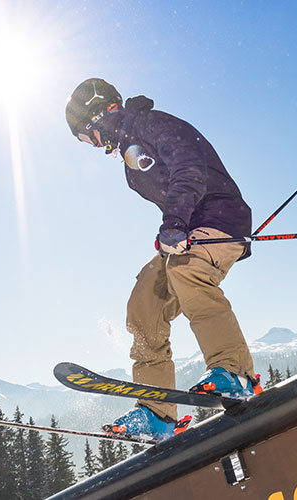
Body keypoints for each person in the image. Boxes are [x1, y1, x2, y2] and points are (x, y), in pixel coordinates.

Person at [65, 78, 261, 441]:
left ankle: (234, 372)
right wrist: (174, 228)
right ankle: (157, 413)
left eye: (87, 136)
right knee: (145, 302)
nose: (92, 146)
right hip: (187, 231)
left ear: (101, 116)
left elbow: (189, 166)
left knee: (187, 272)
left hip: (220, 220)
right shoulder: (130, 151)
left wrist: (175, 221)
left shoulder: (152, 125)